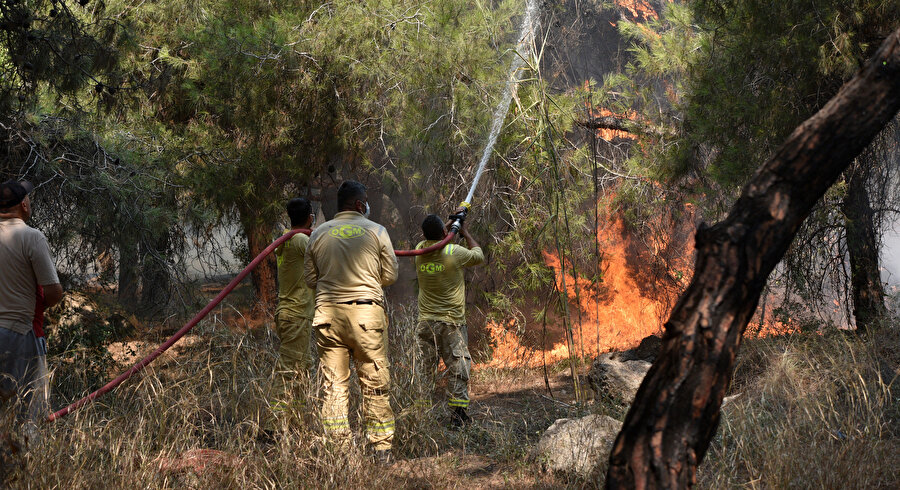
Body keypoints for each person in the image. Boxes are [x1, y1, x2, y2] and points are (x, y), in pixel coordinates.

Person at [303, 180, 398, 463]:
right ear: (359, 205)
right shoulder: (377, 231)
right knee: (374, 382)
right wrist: (367, 278)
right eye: (366, 200)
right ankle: (381, 450)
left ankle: (339, 453)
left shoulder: (318, 233)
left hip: (327, 318)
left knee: (334, 387)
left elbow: (310, 279)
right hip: (366, 316)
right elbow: (390, 276)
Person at [0, 180, 63, 427]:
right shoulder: (31, 236)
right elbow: (54, 291)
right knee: (28, 411)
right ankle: (27, 460)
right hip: (20, 333)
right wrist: (38, 306)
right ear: (24, 205)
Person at [414, 211, 484, 428]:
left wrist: (447, 225)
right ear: (445, 233)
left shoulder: (419, 250)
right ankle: (458, 417)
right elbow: (479, 255)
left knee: (424, 371)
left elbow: (434, 235)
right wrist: (463, 230)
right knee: (458, 368)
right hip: (450, 324)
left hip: (425, 323)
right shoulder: (454, 252)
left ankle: (420, 417)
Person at [270, 197, 316, 418]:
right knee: (288, 373)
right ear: (310, 217)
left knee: (302, 370)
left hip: (292, 314)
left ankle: (295, 422)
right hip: (296, 314)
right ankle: (272, 426)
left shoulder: (286, 240)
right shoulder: (300, 240)